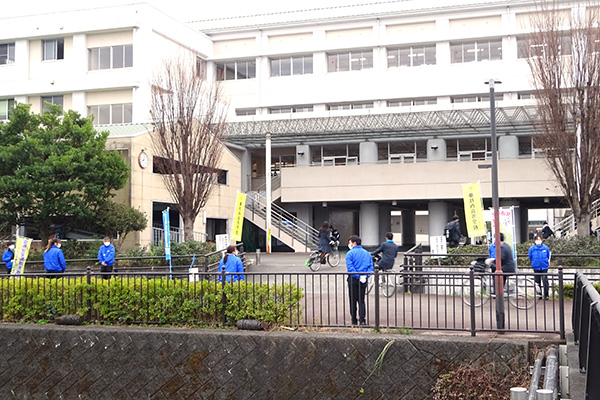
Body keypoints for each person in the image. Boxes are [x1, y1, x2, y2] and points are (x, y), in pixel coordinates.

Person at [346, 235, 373, 326]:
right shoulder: (367, 253)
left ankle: (354, 320)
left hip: (353, 279)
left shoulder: (350, 254)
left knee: (352, 300)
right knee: (361, 300)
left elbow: (350, 267)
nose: (349, 244)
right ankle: (362, 320)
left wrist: (357, 276)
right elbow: (370, 267)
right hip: (363, 279)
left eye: (350, 243)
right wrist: (365, 276)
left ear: (354, 243)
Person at [528, 234, 551, 300]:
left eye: (539, 239)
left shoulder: (545, 248)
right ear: (535, 241)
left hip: (544, 267)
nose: (538, 241)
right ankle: (539, 294)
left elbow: (548, 255)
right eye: (537, 240)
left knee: (545, 281)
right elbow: (530, 257)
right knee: (537, 282)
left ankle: (546, 295)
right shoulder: (532, 249)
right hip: (536, 267)